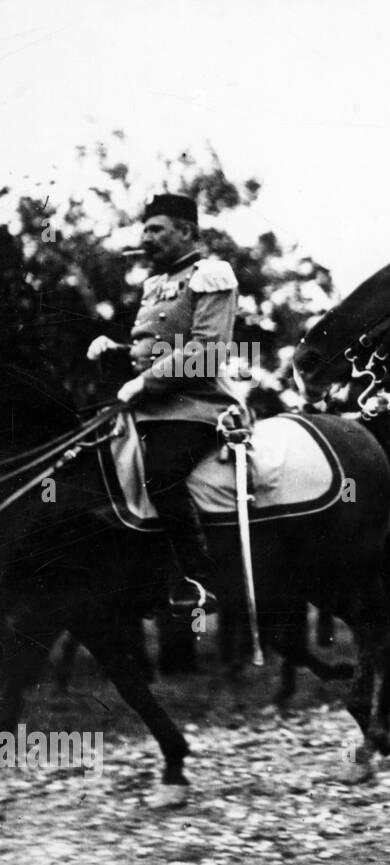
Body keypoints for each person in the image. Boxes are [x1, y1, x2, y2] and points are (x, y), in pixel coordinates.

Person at [86, 193, 241, 615]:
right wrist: (116, 350)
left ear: (187, 231)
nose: (146, 237)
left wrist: (144, 383)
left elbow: (208, 349)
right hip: (149, 406)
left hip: (196, 406)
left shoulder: (212, 275)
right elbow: (155, 348)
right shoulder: (155, 283)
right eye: (145, 229)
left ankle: (199, 579)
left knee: (162, 473)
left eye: (157, 229)